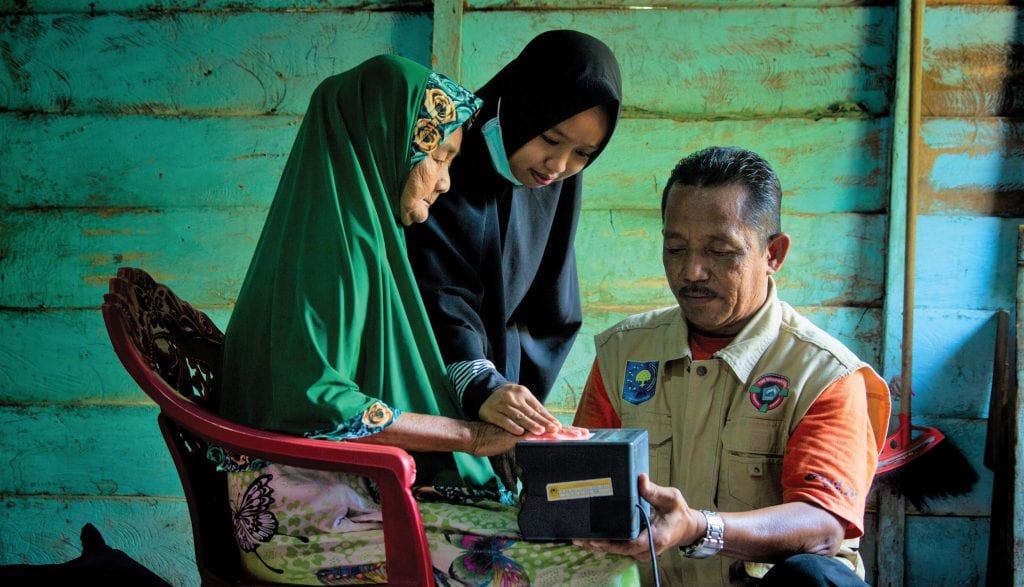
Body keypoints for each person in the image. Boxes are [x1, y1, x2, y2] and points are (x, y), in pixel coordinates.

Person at [213, 55, 637, 585]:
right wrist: (469, 437)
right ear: (386, 144)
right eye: (439, 155)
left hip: (357, 491)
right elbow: (314, 402)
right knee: (593, 565)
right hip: (310, 516)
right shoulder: (331, 254)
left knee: (592, 547)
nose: (445, 182)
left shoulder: (365, 245)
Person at [571, 147, 891, 586]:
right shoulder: (623, 352)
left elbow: (822, 524)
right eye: (675, 248)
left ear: (773, 254)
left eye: (720, 251)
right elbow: (583, 483)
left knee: (816, 577)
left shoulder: (822, 374)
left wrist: (702, 528)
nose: (692, 271)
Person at [407, 30, 622, 436]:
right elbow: (436, 287)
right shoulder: (448, 160)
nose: (558, 165)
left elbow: (551, 302)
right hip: (425, 374)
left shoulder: (555, 181)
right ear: (525, 106)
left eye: (583, 154)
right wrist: (477, 376)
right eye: (550, 138)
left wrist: (510, 389)